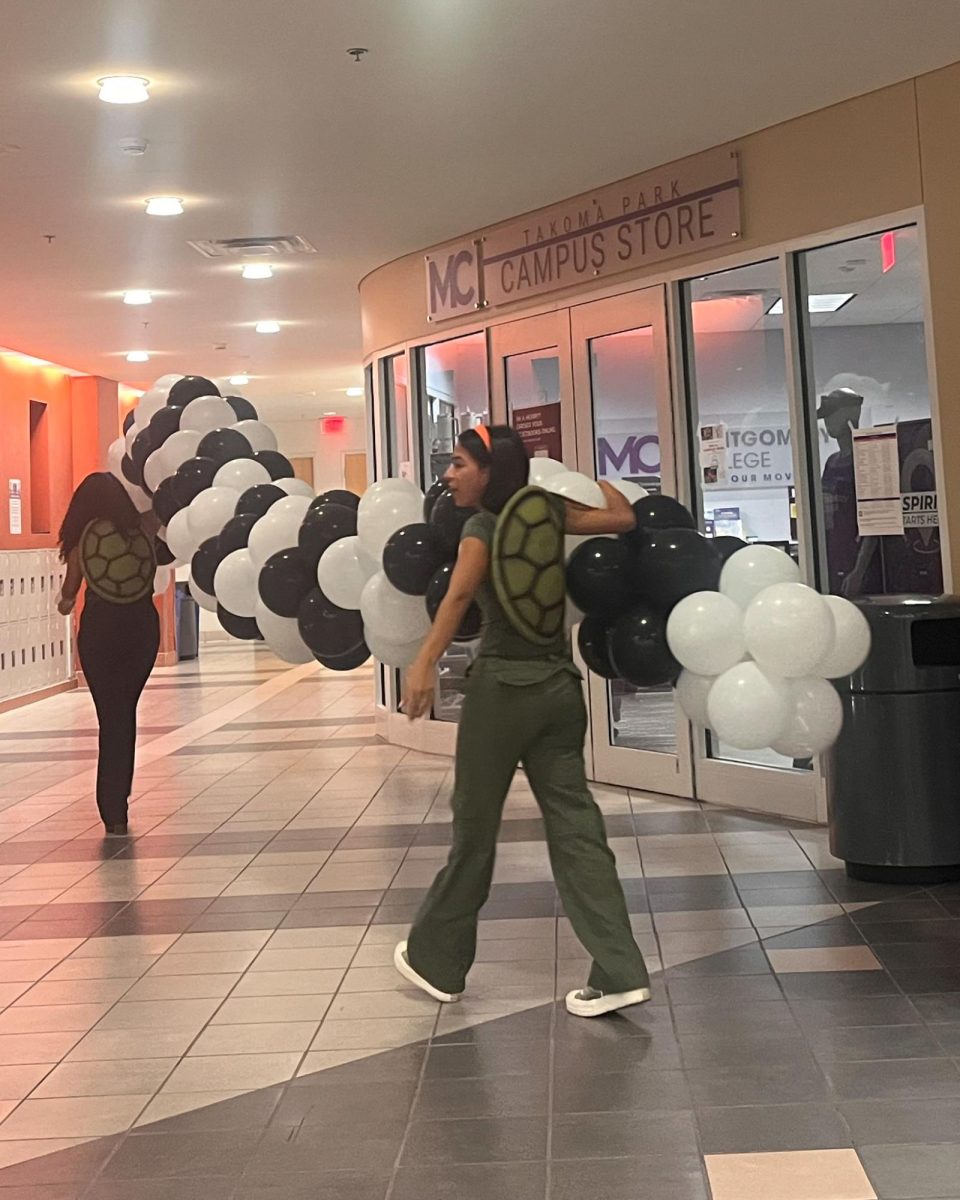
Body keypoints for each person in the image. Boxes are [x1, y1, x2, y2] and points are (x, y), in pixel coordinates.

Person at [395, 425, 650, 1018]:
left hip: (501, 695)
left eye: (460, 464)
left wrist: (424, 663)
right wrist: (605, 483)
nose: (450, 475)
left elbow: (458, 599)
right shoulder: (548, 510)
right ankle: (619, 968)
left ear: (490, 471)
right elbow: (621, 519)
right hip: (560, 691)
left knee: (474, 831)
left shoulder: (480, 529)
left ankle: (438, 959)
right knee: (576, 828)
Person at [57, 472, 160, 836]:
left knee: (111, 717)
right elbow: (161, 509)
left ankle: (112, 808)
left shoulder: (83, 541)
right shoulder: (143, 529)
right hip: (142, 628)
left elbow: (68, 596)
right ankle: (118, 803)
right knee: (125, 714)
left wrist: (64, 600)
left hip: (101, 631)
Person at [817, 387, 881, 597]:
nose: (828, 421)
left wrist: (859, 569)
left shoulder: (866, 459)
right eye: (825, 416)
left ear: (851, 413)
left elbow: (875, 520)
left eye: (832, 414)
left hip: (860, 561)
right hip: (833, 556)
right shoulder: (832, 463)